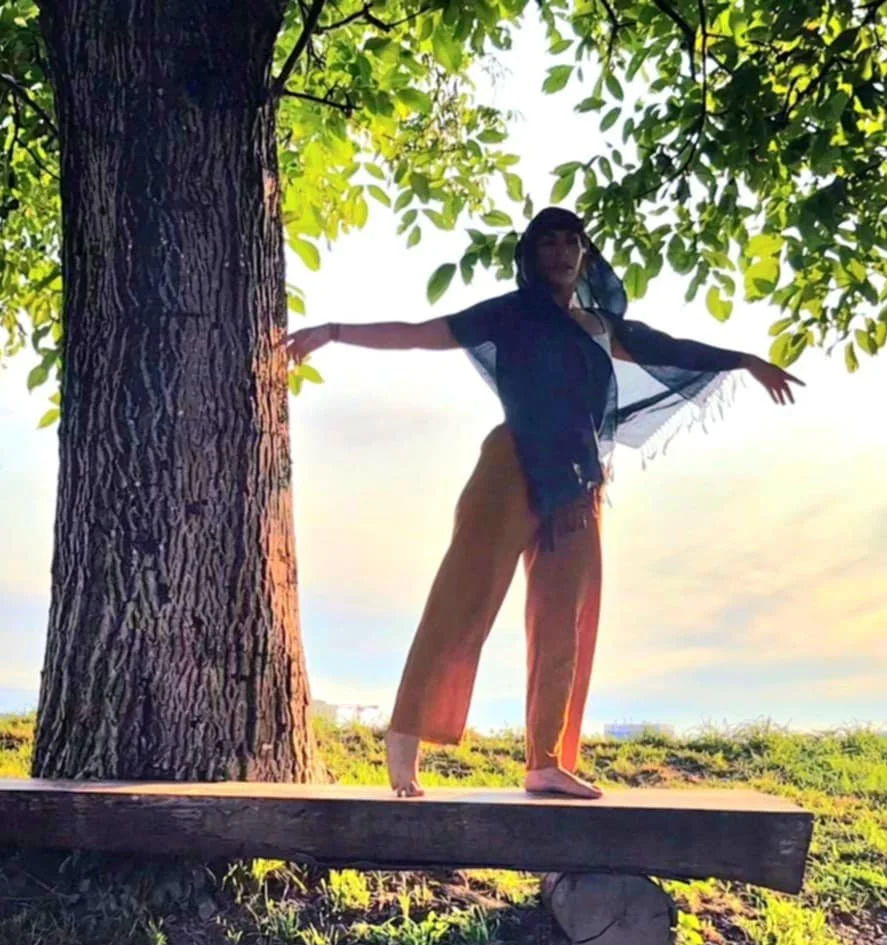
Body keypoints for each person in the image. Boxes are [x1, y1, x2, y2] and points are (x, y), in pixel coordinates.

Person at [285, 206, 803, 799]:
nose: (560, 253)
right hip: (509, 468)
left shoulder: (601, 327)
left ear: (584, 255)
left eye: (570, 242)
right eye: (548, 243)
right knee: (463, 598)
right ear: (532, 256)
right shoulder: (510, 314)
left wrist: (746, 360)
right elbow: (420, 333)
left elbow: (674, 348)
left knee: (565, 621)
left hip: (577, 482)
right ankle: (405, 742)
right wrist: (333, 331)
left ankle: (546, 763)